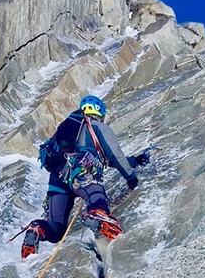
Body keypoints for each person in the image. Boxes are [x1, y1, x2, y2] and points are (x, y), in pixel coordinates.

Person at [21, 94, 150, 258]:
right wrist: (131, 178)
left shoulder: (67, 130)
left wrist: (134, 161)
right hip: (82, 170)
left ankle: (38, 229)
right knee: (96, 198)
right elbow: (114, 156)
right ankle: (98, 215)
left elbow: (108, 159)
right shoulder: (97, 127)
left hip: (57, 178)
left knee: (56, 227)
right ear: (100, 113)